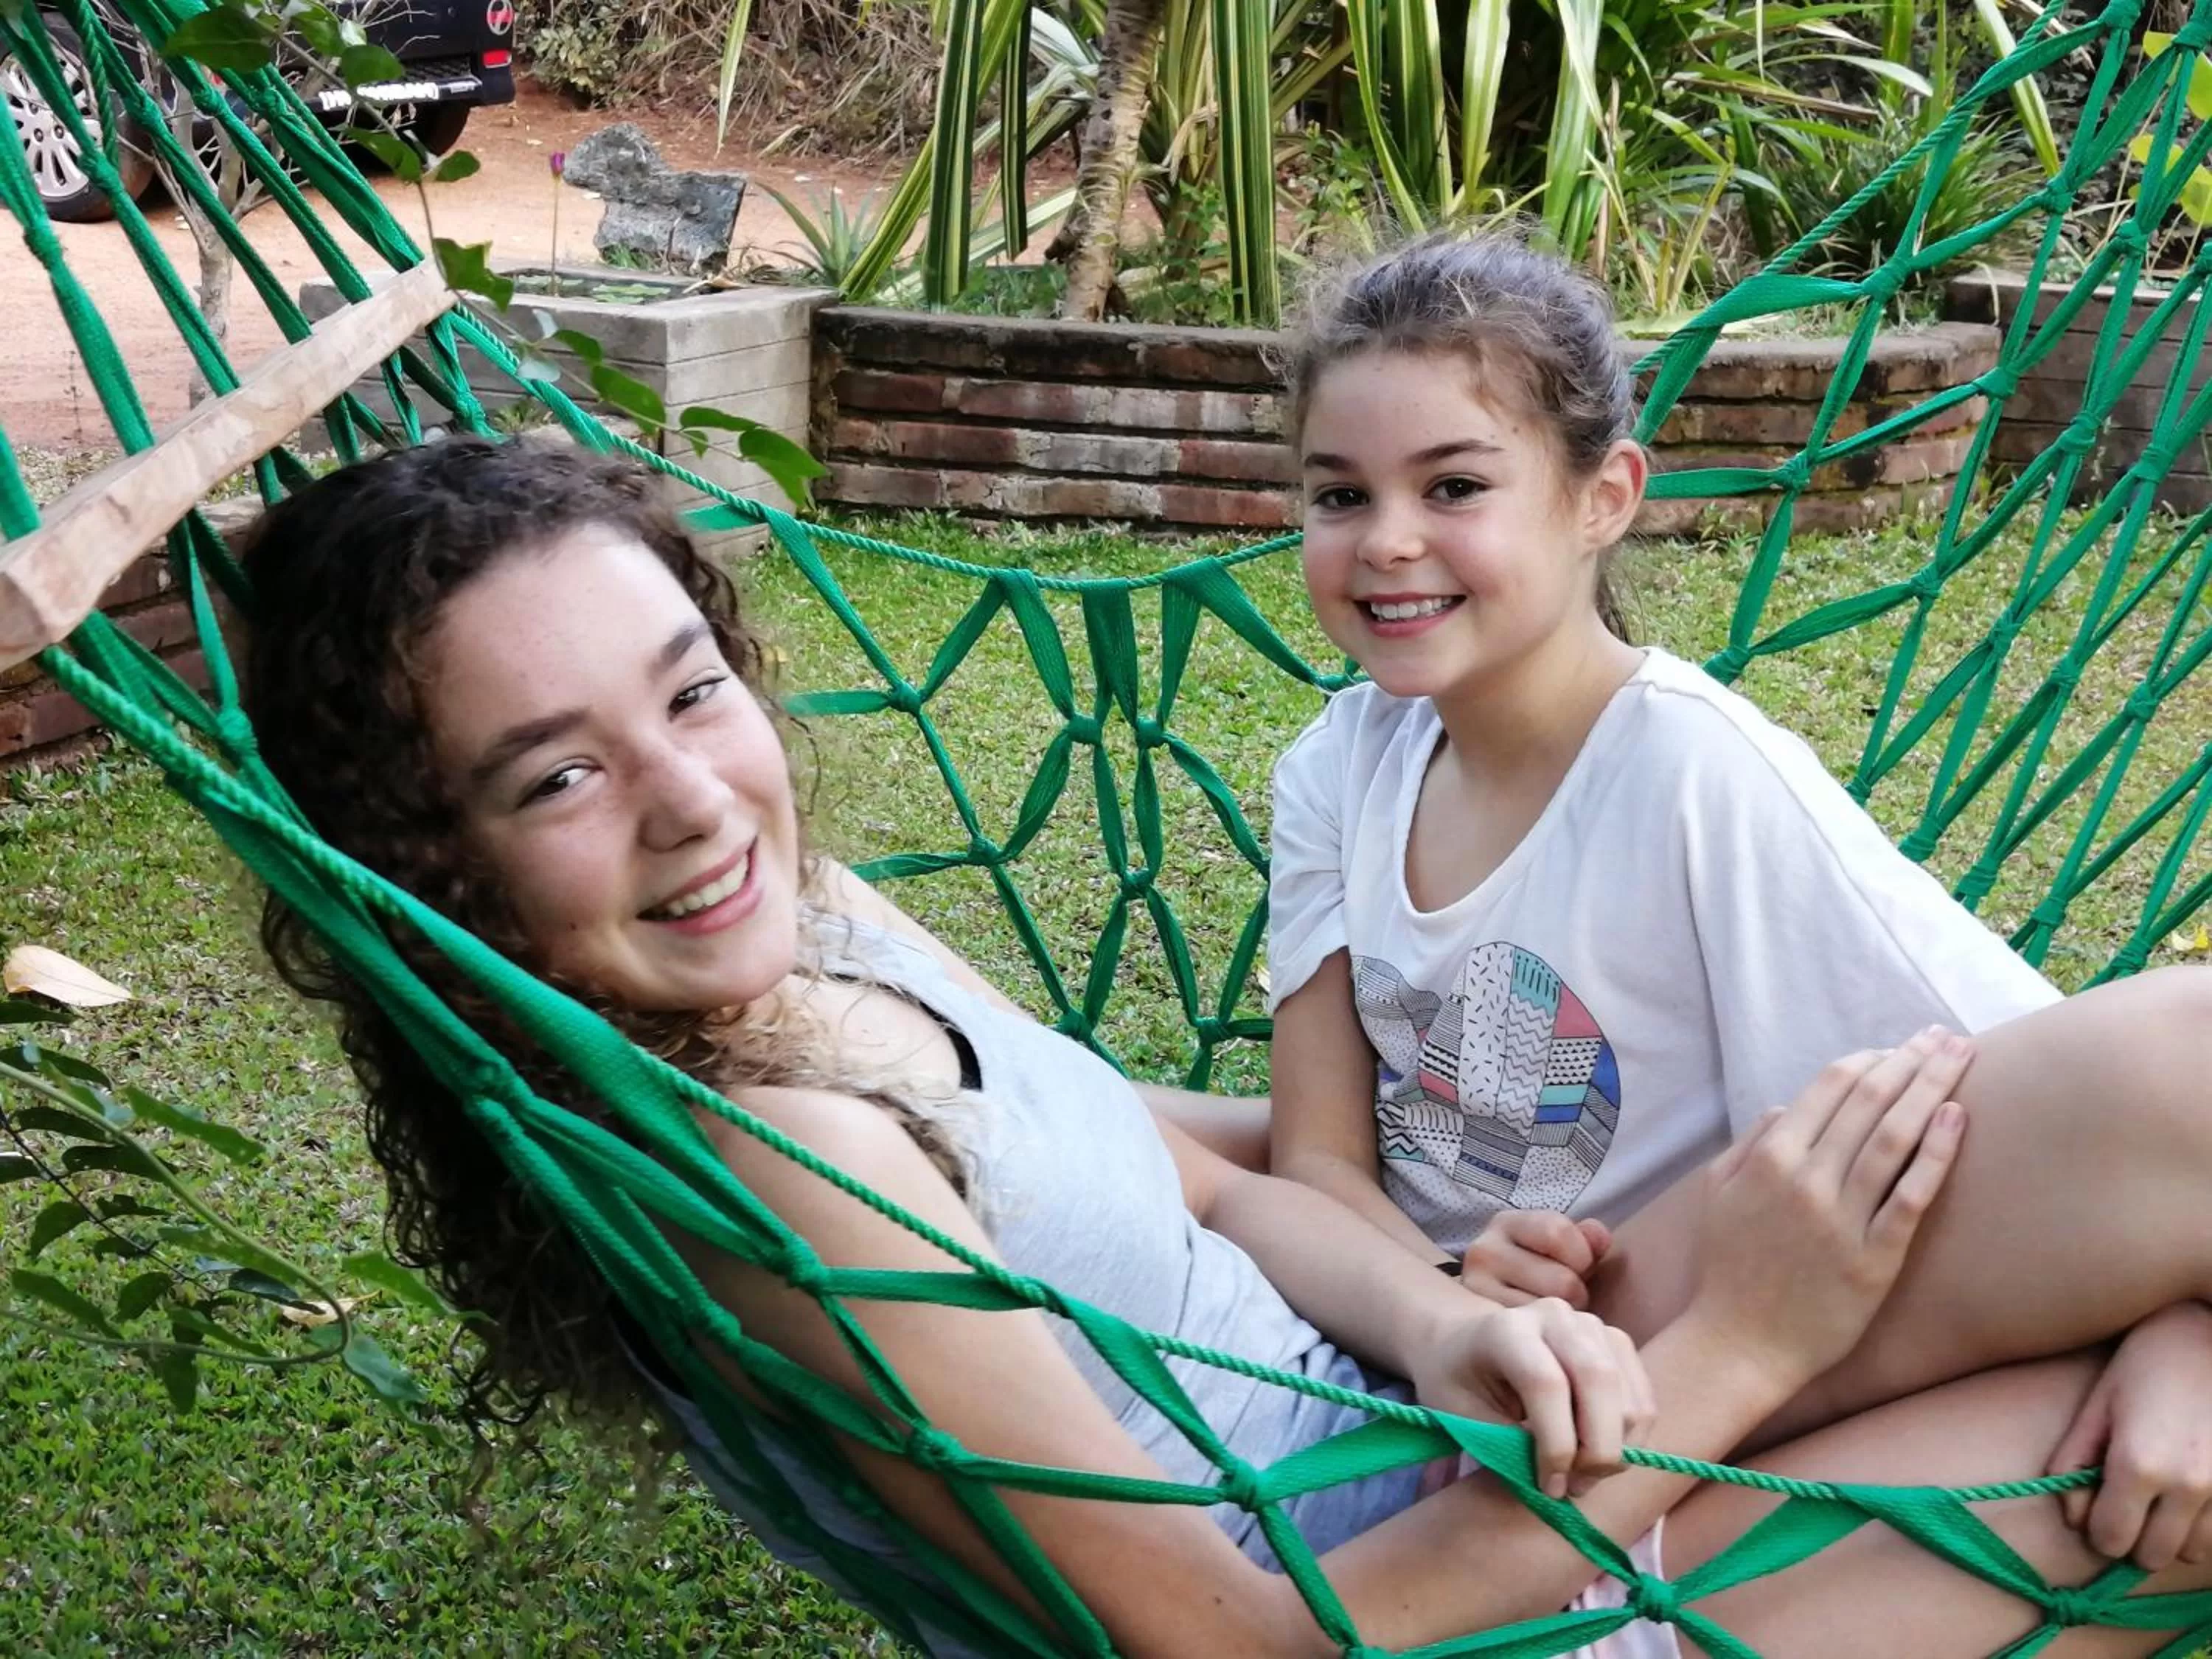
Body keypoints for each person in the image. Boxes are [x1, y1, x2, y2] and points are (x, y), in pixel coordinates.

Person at [237, 437, 2212, 1658]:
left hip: (1450, 1401)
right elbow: (1250, 1652)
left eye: (692, 691)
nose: (694, 803)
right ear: (443, 871)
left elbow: (1174, 1162)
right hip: (1506, 1601)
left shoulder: (794, 925)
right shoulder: (773, 1174)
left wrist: (1445, 1299)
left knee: (2180, 1082)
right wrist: (1751, 1339)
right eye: (560, 773)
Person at [1261, 226, 2212, 1562]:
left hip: (1702, 1331)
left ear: (1604, 497)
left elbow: (2038, 1090)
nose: (1387, 542)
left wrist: (2183, 1324)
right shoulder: (1339, 769)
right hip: (1456, 1357)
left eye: (1455, 485)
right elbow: (1314, 1157)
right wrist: (1445, 1294)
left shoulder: (1695, 773)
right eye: (1338, 494)